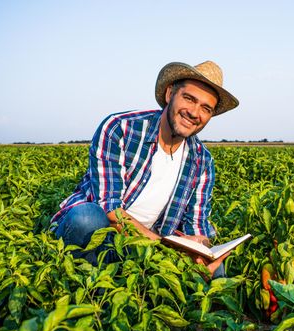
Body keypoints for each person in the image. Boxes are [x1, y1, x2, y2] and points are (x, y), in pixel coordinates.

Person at [51, 60, 239, 277]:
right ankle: (84, 286)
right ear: (170, 94)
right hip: (102, 235)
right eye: (189, 99)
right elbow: (111, 212)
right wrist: (164, 247)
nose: (195, 113)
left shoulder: (202, 161)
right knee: (87, 218)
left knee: (215, 270)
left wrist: (200, 245)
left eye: (206, 108)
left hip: (145, 246)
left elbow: (196, 226)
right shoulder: (120, 128)